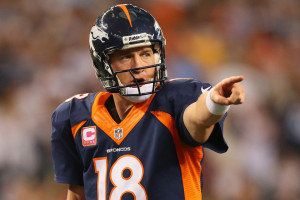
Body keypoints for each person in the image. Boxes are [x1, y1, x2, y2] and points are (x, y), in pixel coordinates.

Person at [51, 4, 245, 200]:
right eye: (126, 56)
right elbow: (77, 194)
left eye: (145, 54)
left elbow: (197, 120)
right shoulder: (74, 116)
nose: (139, 66)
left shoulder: (176, 99)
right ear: (103, 64)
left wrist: (214, 103)